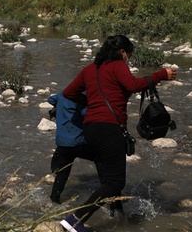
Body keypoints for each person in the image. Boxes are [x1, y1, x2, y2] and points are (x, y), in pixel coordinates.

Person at [60, 35, 177, 232]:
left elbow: (69, 93)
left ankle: (119, 217)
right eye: (128, 55)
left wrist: (92, 102)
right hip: (109, 129)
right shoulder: (118, 64)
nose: (128, 60)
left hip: (91, 129)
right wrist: (160, 75)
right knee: (115, 183)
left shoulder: (89, 69)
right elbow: (134, 85)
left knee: (108, 180)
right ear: (122, 52)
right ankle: (74, 220)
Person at [47, 91, 95, 204]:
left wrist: (58, 106)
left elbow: (51, 99)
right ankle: (110, 194)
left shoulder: (63, 94)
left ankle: (54, 199)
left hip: (62, 142)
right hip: (78, 142)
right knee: (100, 159)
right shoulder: (83, 97)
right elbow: (87, 114)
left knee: (62, 173)